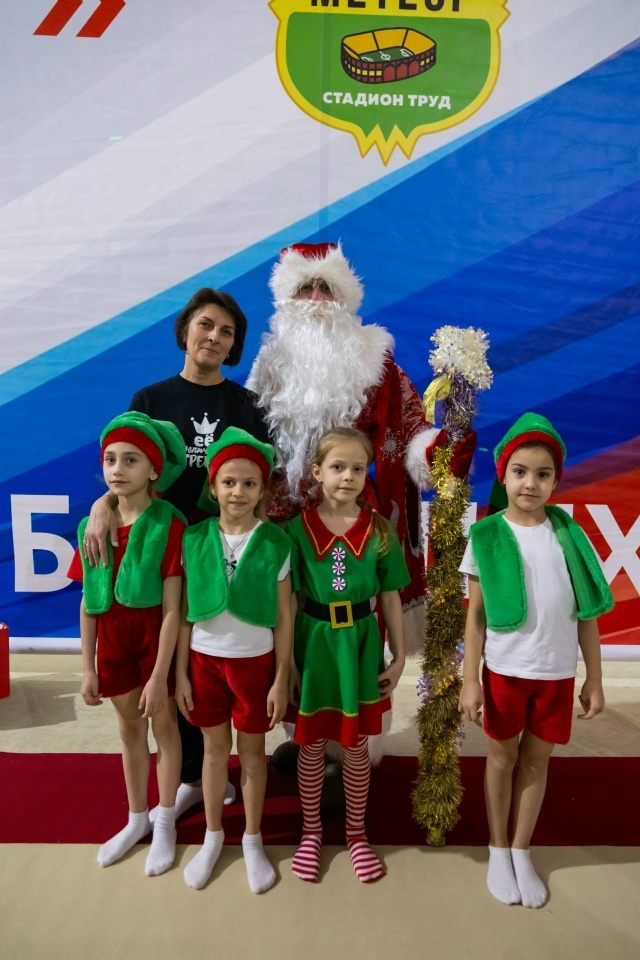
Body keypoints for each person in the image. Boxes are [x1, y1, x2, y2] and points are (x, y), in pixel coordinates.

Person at [83, 288, 270, 819]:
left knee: (216, 664)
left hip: (219, 552)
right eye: (206, 324)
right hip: (162, 550)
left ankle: (220, 765)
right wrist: (100, 505)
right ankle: (190, 774)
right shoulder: (150, 399)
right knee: (176, 669)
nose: (214, 337)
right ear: (185, 329)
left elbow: (261, 481)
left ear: (234, 346)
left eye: (227, 332)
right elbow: (124, 467)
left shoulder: (246, 405)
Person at [458, 412, 614, 908]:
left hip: (556, 673)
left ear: (555, 481)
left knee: (536, 761)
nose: (531, 483)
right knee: (502, 759)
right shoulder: (486, 536)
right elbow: (475, 616)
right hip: (506, 672)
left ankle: (521, 848)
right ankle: (497, 846)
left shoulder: (569, 536)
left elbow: (586, 614)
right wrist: (470, 680)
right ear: (503, 476)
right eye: (520, 472)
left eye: (543, 474)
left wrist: (594, 677)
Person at [286, 427, 409, 883]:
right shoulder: (297, 530)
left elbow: (391, 595)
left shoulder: (379, 530)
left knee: (357, 745)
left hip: (360, 644)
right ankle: (311, 832)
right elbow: (288, 602)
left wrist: (399, 656)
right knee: (312, 744)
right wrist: (288, 664)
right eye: (338, 467)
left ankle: (357, 834)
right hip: (314, 645)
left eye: (358, 468)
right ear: (317, 472)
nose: (348, 476)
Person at [69, 412, 187, 875]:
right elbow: (87, 603)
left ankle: (165, 821)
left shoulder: (169, 525)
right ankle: (137, 817)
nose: (118, 469)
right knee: (129, 731)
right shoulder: (92, 527)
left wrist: (160, 676)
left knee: (165, 729)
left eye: (131, 460)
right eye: (111, 459)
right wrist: (88, 667)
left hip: (155, 643)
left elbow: (174, 609)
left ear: (154, 470)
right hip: (113, 646)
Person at [175, 427, 292, 893]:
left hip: (255, 665)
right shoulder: (194, 538)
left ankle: (252, 839)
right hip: (204, 663)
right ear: (213, 487)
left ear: (263, 490)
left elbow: (284, 617)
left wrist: (280, 677)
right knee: (213, 752)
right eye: (228, 482)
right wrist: (181, 674)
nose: (237, 491)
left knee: (253, 755)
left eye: (249, 483)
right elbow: (184, 613)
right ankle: (212, 836)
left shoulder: (276, 542)